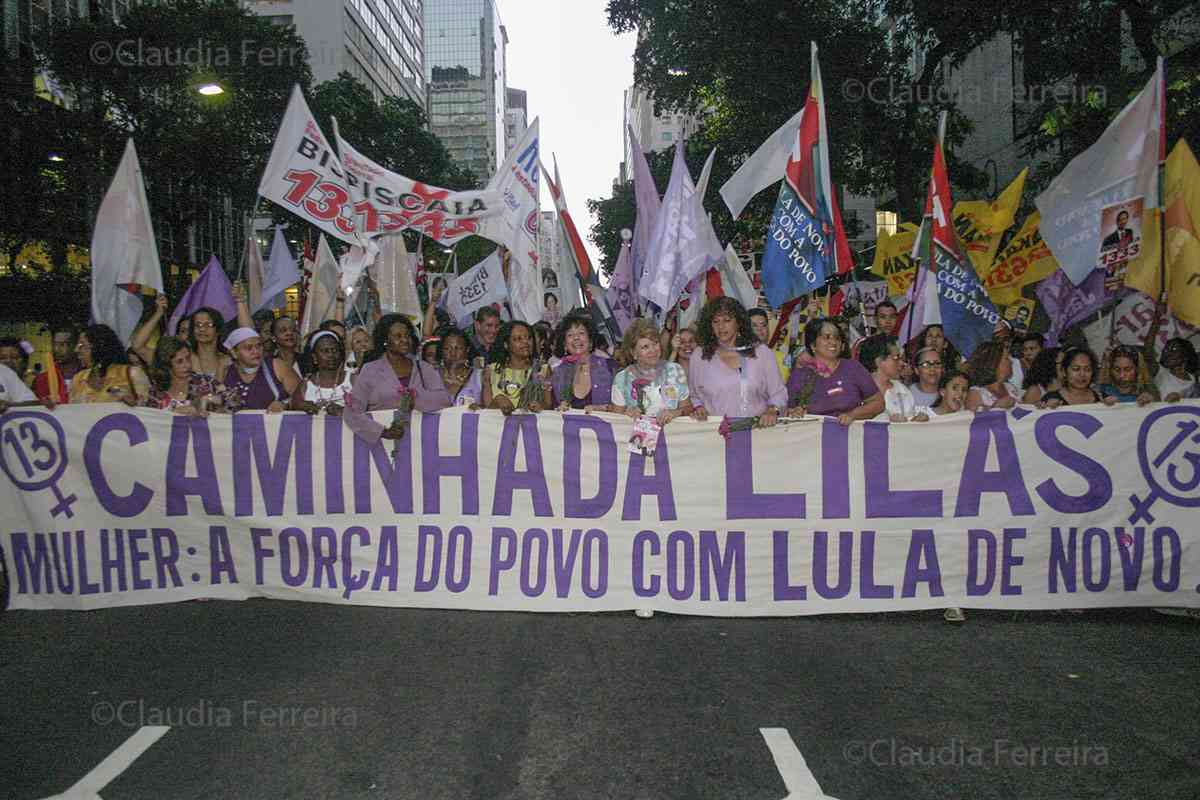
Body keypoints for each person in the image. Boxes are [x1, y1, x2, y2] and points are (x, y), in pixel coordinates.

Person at [344, 314, 452, 444]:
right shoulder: (370, 370)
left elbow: (444, 400)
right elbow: (352, 412)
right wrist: (381, 432)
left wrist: (415, 400)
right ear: (385, 340)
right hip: (382, 446)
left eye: (407, 335)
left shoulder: (424, 368)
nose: (405, 340)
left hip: (422, 445)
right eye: (398, 336)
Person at [688, 297, 788, 424]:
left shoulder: (762, 353)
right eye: (715, 321)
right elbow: (694, 396)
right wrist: (698, 408)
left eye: (727, 320)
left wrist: (772, 410)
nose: (721, 326)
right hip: (714, 434)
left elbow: (779, 394)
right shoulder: (699, 355)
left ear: (739, 322)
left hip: (757, 434)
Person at [784, 317, 882, 425]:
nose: (833, 342)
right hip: (812, 437)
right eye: (827, 337)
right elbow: (787, 411)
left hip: (850, 436)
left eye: (837, 338)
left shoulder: (853, 368)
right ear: (813, 345)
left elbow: (878, 403)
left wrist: (852, 415)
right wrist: (795, 412)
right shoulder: (800, 374)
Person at [610, 319, 692, 419]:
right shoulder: (622, 379)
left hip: (672, 434)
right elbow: (615, 421)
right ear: (633, 353)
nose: (653, 350)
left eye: (655, 343)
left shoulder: (676, 370)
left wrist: (676, 412)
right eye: (645, 347)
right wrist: (626, 414)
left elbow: (688, 408)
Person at [548, 314, 617, 411]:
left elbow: (625, 405)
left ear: (590, 341)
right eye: (570, 335)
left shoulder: (610, 367)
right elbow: (551, 410)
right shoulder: (558, 372)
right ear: (565, 345)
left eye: (581, 333)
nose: (576, 338)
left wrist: (603, 408)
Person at [69, 324, 150, 404]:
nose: (76, 350)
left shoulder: (131, 374)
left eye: (81, 345)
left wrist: (132, 402)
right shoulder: (78, 379)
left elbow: (148, 410)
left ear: (99, 347)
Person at [480, 321, 549, 414]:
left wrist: (540, 407)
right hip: (498, 427)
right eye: (518, 339)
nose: (526, 342)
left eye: (529, 338)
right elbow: (485, 411)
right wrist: (499, 401)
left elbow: (550, 406)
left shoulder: (543, 370)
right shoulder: (491, 370)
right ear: (506, 344)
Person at [141, 336, 221, 414]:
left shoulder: (206, 382)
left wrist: (209, 399)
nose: (187, 365)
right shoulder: (156, 393)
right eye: (179, 361)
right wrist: (173, 413)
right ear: (166, 366)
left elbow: (230, 400)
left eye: (188, 358)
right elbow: (148, 419)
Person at [219, 327, 294, 412]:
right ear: (234, 353)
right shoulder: (226, 371)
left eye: (259, 346)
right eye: (248, 348)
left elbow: (302, 398)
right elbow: (214, 403)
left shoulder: (276, 366)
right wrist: (220, 368)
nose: (256, 351)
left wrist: (284, 404)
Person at [859, 334, 928, 422]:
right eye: (896, 358)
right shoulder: (857, 390)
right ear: (879, 361)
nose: (902, 363)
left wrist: (916, 421)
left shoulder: (902, 390)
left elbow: (909, 424)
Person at [291, 331, 353, 415]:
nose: (331, 354)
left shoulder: (354, 380)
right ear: (315, 357)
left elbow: (367, 409)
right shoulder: (305, 385)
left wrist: (344, 411)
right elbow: (293, 406)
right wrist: (303, 406)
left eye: (335, 350)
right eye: (325, 351)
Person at [33, 322, 82, 403]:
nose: (57, 349)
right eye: (55, 344)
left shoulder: (87, 375)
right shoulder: (42, 379)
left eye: (63, 344)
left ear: (76, 346)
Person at [1041, 347, 1105, 407]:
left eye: (1087, 369)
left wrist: (1113, 406)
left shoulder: (1103, 398)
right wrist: (1044, 408)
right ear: (1064, 371)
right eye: (1076, 369)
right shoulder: (1050, 398)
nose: (1082, 374)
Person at [965, 340, 1018, 411]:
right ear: (994, 363)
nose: (1011, 361)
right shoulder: (976, 393)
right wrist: (996, 407)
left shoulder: (1010, 388)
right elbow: (971, 419)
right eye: (1006, 358)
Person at [435, 328, 482, 406]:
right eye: (447, 349)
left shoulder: (480, 376)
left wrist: (478, 408)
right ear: (441, 351)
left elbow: (489, 408)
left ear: (467, 350)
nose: (453, 353)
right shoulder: (430, 375)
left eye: (459, 348)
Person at [187, 307, 231, 379]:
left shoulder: (228, 361)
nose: (202, 329)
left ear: (218, 329)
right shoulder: (185, 359)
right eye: (198, 325)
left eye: (209, 324)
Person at [748, 307, 789, 382]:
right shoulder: (737, 358)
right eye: (754, 325)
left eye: (763, 325)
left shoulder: (784, 358)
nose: (759, 329)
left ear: (768, 328)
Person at [270, 315, 302, 382]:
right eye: (283, 330)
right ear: (273, 337)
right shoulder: (269, 364)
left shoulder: (307, 361)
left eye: (293, 330)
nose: (289, 333)